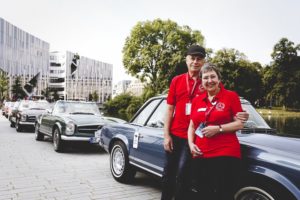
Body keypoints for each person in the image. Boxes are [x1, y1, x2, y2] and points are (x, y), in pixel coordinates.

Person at [162, 45, 248, 200]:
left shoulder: (211, 83)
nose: (195, 61)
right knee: (168, 174)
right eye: (192, 58)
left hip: (197, 140)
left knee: (184, 178)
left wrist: (241, 117)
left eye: (199, 59)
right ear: (186, 59)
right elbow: (169, 110)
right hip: (176, 135)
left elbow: (226, 105)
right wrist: (166, 135)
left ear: (203, 61)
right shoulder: (177, 80)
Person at [188, 63, 244, 200]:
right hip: (200, 153)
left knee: (222, 194)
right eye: (205, 78)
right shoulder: (197, 100)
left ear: (219, 79)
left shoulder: (231, 96)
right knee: (202, 192)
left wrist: (218, 129)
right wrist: (190, 144)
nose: (209, 81)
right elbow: (191, 126)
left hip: (224, 152)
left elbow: (240, 123)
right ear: (201, 81)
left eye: (213, 76)